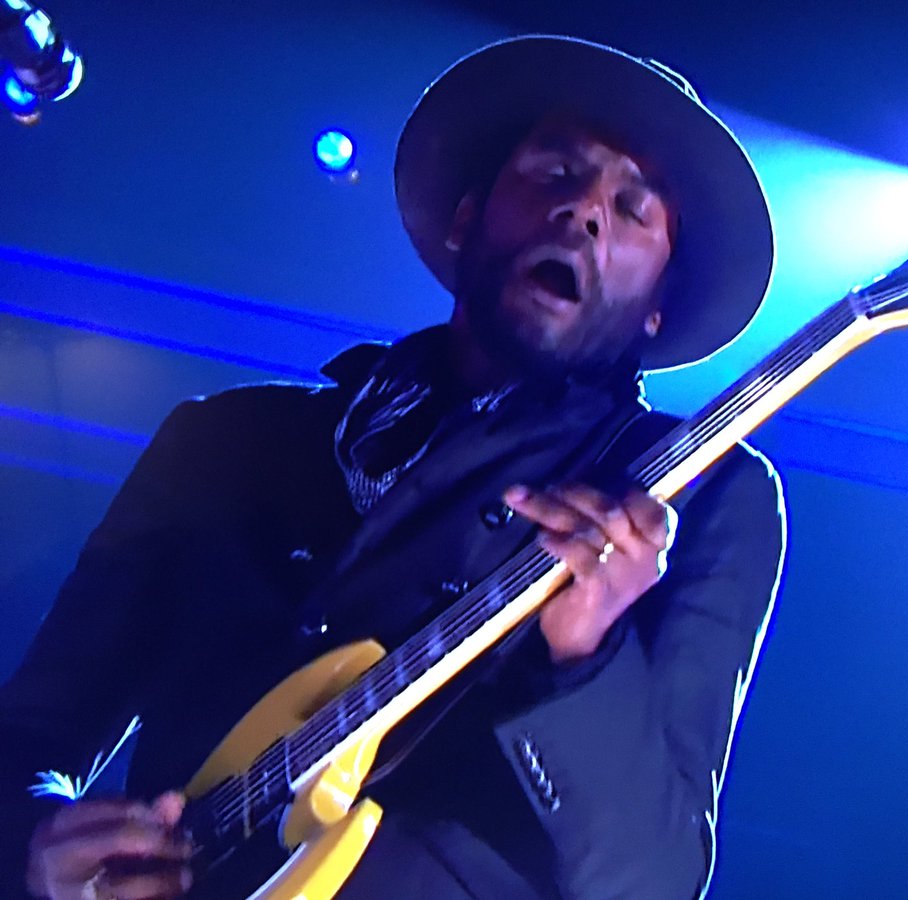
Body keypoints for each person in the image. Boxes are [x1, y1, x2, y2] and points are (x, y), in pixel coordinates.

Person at [0, 34, 785, 899]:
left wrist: (587, 659)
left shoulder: (703, 494)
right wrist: (40, 841)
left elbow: (654, 880)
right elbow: (32, 732)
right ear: (466, 218)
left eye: (635, 209)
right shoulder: (227, 439)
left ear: (658, 308)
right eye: (556, 172)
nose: (586, 211)